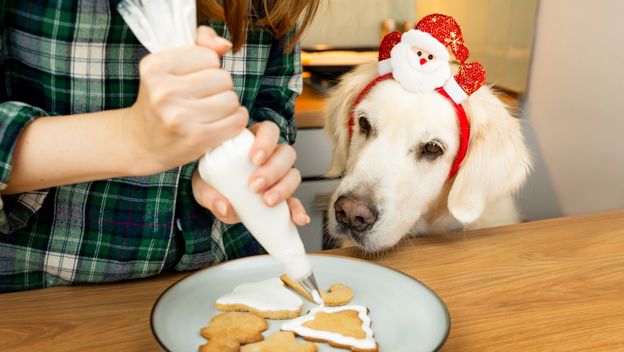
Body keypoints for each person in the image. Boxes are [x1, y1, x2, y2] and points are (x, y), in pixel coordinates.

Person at [0, 0, 320, 292]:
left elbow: (273, 100)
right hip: (42, 299)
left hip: (225, 279)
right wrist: (132, 139)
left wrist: (246, 155)